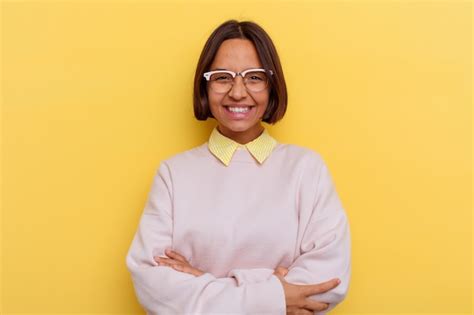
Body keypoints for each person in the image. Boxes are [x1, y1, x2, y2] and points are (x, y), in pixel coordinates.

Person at [126, 19, 351, 315]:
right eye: (222, 77)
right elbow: (152, 282)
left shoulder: (306, 169)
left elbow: (326, 283)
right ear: (205, 86)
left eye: (254, 77)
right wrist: (272, 295)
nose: (238, 92)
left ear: (272, 85)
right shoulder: (174, 174)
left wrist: (202, 280)